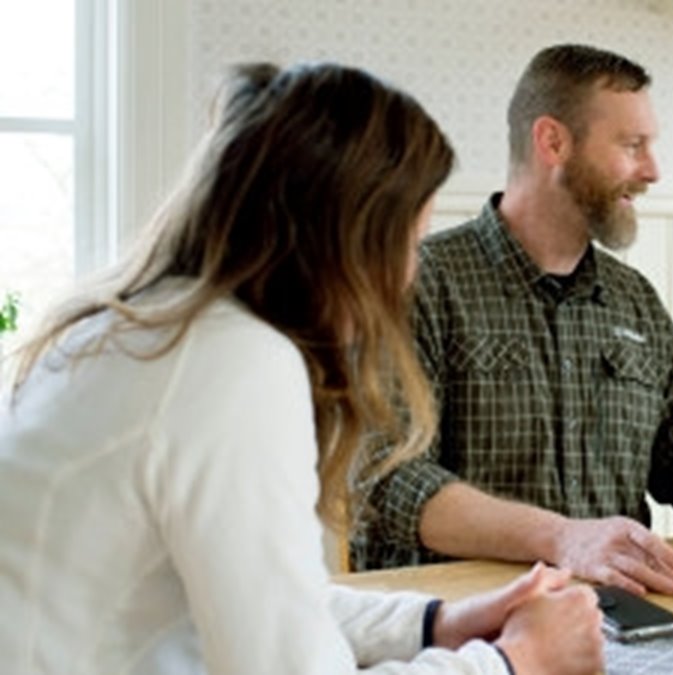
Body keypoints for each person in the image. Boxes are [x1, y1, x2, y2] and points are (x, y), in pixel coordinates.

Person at [0, 62, 603, 675]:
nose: (409, 275)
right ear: (348, 240)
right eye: (408, 242)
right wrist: (513, 661)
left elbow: (274, 600)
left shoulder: (144, 333)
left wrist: (438, 625)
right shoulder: (231, 367)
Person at [352, 43, 673, 594]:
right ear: (553, 141)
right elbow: (389, 477)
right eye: (632, 145)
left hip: (622, 609)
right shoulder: (419, 284)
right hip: (463, 617)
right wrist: (563, 539)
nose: (653, 170)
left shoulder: (633, 299)